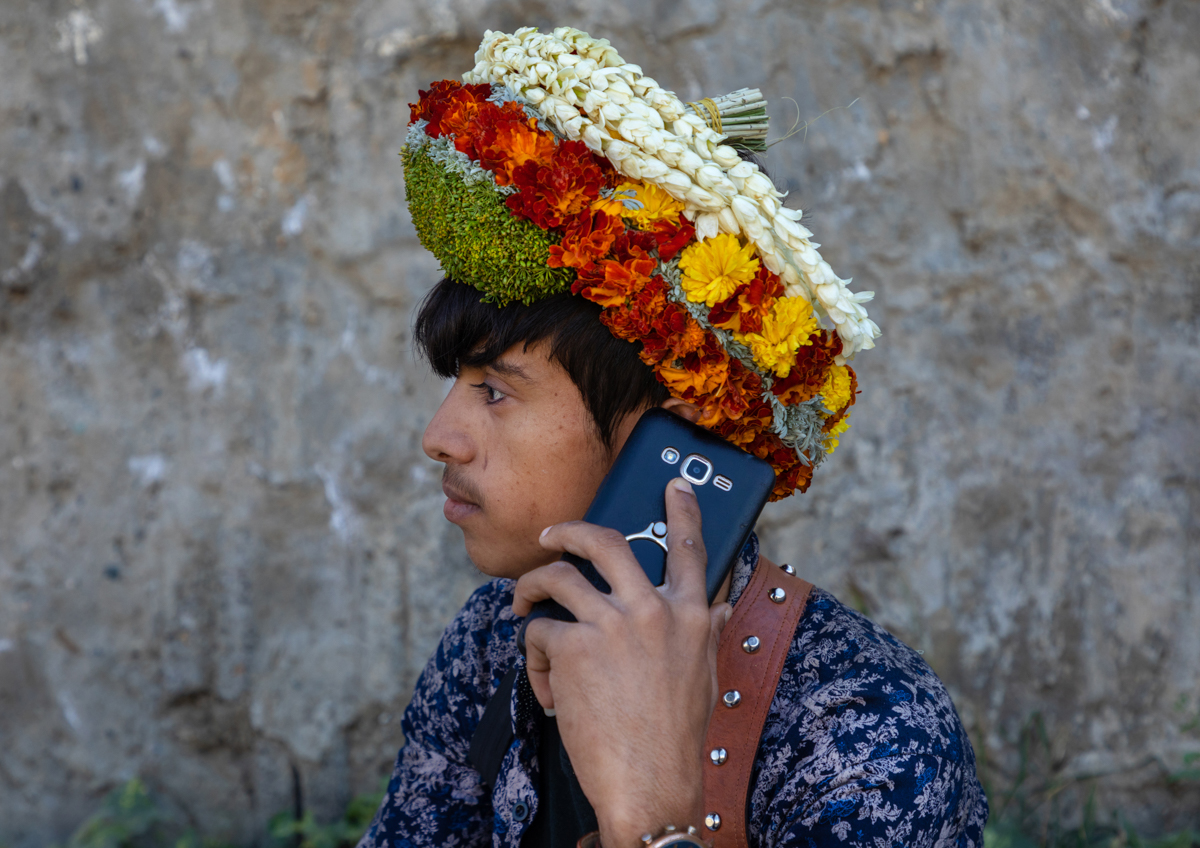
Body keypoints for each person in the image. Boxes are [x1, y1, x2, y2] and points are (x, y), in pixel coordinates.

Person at [358, 26, 987, 848]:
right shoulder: (493, 642)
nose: (439, 437)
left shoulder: (865, 731)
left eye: (494, 392)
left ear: (674, 446)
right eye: (455, 388)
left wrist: (652, 818)